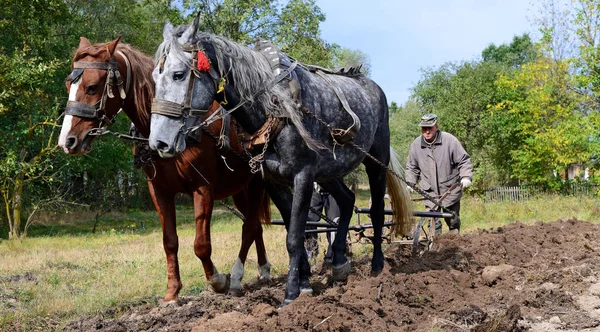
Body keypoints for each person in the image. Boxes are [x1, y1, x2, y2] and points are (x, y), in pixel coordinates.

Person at [405, 114, 473, 234]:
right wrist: (410, 183)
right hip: (429, 191)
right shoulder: (416, 145)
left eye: (429, 128)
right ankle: (435, 245)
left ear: (436, 127)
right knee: (433, 223)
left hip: (450, 190)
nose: (426, 131)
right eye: (424, 128)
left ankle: (454, 241)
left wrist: (466, 176)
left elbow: (463, 160)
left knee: (452, 220)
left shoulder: (449, 141)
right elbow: (412, 167)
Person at [305, 183, 340, 264]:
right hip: (314, 189)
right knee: (308, 222)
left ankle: (332, 255)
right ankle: (311, 252)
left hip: (334, 189)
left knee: (334, 223)